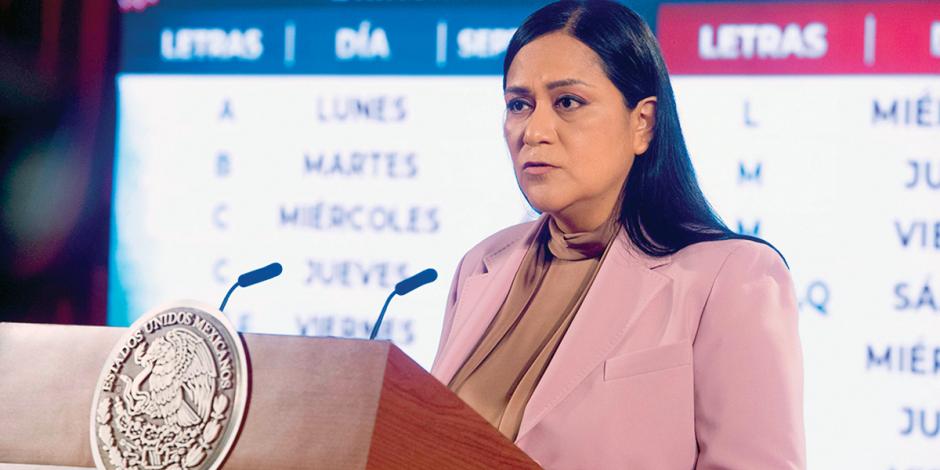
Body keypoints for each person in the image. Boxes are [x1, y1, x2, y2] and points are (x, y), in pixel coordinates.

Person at [428, 1, 806, 468]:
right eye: (519, 105)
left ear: (642, 123)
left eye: (568, 102)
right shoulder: (481, 265)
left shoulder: (732, 277)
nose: (535, 130)